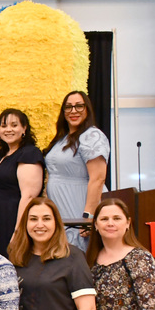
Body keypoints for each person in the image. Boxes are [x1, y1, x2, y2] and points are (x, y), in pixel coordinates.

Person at [44, 91, 110, 251]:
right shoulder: (63, 138)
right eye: (68, 107)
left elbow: (98, 179)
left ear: (87, 109)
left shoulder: (92, 136)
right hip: (61, 207)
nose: (73, 111)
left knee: (80, 253)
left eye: (79, 106)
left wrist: (88, 217)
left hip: (80, 205)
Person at [0, 108, 45, 256]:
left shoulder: (29, 153)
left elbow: (29, 196)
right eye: (4, 126)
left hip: (11, 218)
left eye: (14, 125)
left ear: (24, 129)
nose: (8, 129)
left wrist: (18, 231)